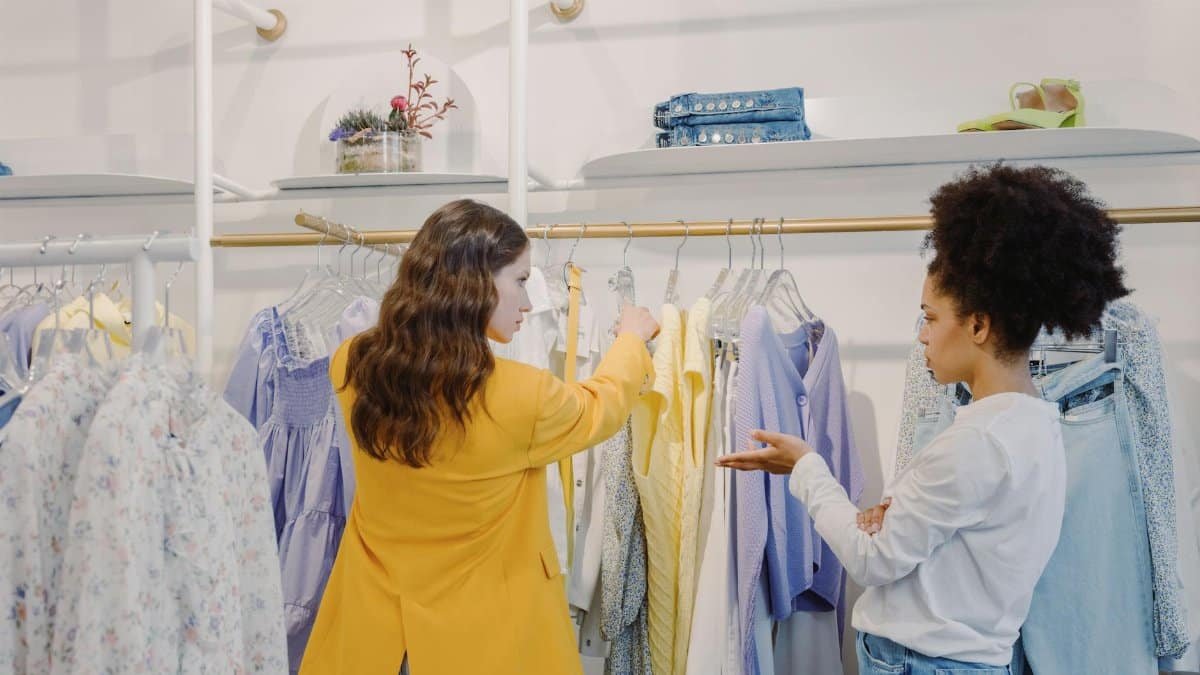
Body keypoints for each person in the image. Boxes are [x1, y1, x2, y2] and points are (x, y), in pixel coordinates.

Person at [717, 164, 1130, 674]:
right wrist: (899, 515)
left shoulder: (978, 440)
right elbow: (962, 539)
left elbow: (871, 561)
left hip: (925, 664)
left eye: (931, 317)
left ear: (978, 325)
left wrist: (806, 467)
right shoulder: (1034, 423)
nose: (922, 335)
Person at [299, 199, 660, 675]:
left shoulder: (351, 364)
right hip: (482, 642)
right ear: (475, 284)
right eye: (521, 280)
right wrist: (631, 340)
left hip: (374, 635)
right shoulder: (522, 397)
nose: (528, 303)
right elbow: (601, 406)